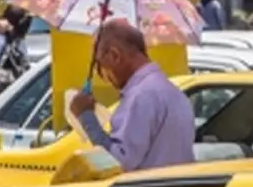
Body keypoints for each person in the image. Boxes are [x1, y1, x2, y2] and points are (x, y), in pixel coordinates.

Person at [68, 17, 195, 172]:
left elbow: (117, 162)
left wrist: (87, 117)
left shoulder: (141, 96)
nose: (103, 77)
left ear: (114, 56)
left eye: (100, 66)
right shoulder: (172, 92)